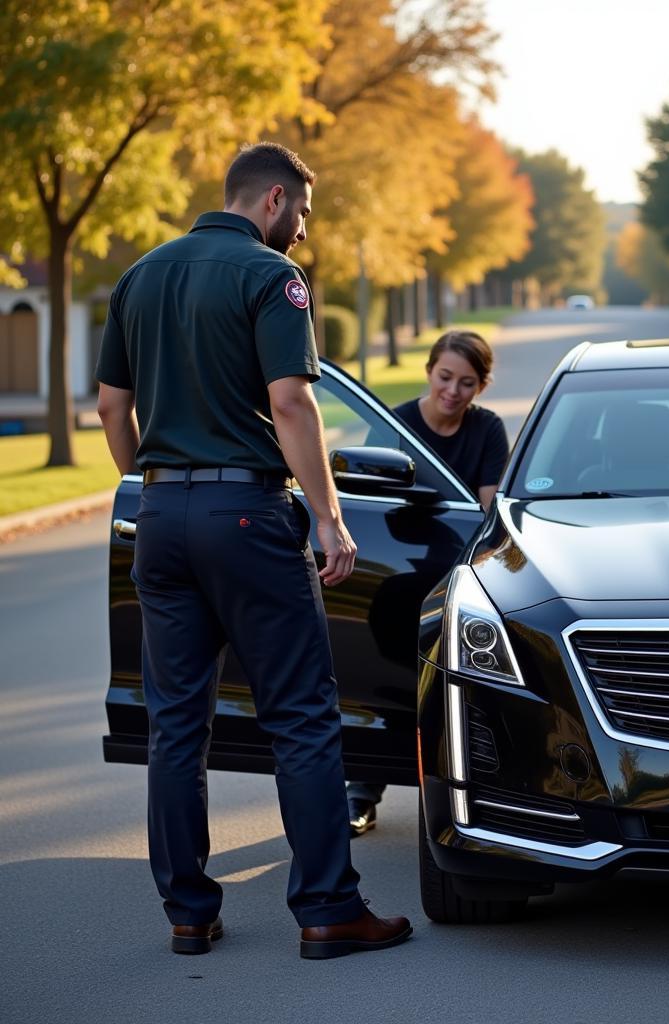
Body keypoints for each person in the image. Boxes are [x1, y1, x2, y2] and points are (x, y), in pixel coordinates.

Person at [95, 141, 411, 960]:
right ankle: (328, 910)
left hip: (161, 517)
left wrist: (155, 486)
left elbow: (108, 407)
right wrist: (331, 519)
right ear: (272, 200)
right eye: (302, 214)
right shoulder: (271, 279)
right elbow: (293, 404)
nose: (302, 233)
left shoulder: (141, 275)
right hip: (249, 517)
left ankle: (189, 913)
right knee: (303, 716)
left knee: (175, 724)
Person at [347, 329, 509, 836]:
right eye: (445, 377)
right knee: (385, 683)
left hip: (458, 575)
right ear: (429, 372)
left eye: (466, 382)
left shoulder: (486, 429)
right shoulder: (395, 425)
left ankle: (475, 794)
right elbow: (371, 506)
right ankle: (361, 790)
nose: (453, 392)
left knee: (461, 690)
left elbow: (487, 509)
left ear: (480, 386)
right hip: (397, 573)